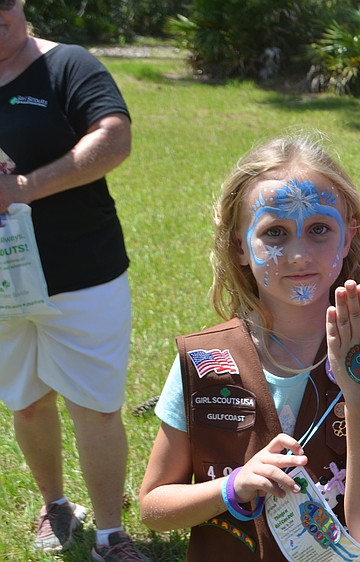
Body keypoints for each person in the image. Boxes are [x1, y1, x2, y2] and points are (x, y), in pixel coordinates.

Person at [138, 134, 360, 561]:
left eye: (319, 229)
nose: (300, 253)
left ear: (347, 236)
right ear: (239, 246)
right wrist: (234, 486)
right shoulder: (204, 362)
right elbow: (154, 508)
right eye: (276, 233)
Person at [0, 1, 148, 559]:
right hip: (3, 286)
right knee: (28, 402)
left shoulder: (68, 65)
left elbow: (114, 137)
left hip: (81, 273)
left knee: (95, 405)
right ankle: (56, 505)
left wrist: (22, 188)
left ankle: (110, 534)